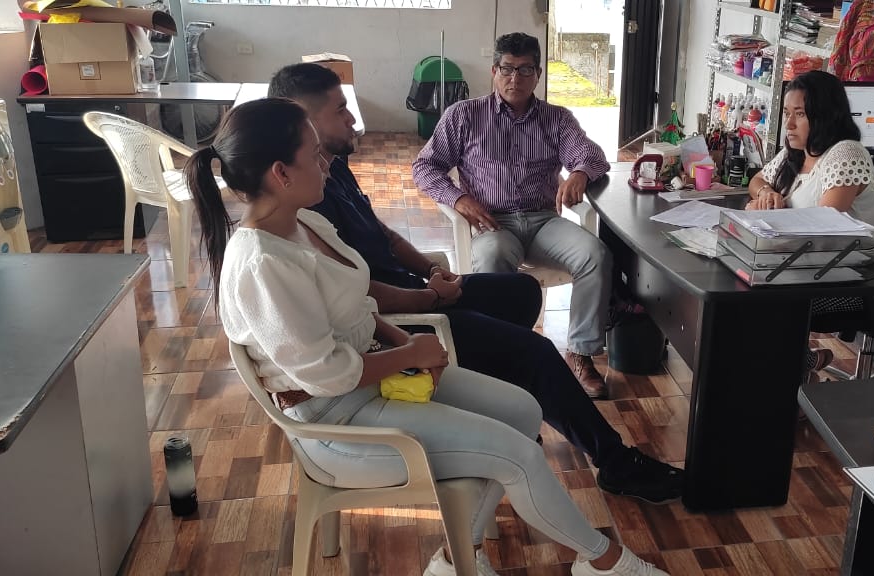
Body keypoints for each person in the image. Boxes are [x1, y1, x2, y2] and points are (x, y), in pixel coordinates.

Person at [187, 98, 668, 576]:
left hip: (373, 381)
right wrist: (408, 353)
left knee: (524, 412)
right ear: (281, 174)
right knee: (520, 456)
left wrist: (405, 343)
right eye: (314, 155)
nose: (326, 164)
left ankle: (457, 559)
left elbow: (359, 304)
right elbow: (328, 376)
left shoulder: (305, 223)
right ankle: (605, 562)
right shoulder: (264, 264)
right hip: (337, 422)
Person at [267, 63, 683, 504]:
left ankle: (509, 404)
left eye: (527, 70)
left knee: (522, 292)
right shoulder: (306, 203)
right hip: (394, 322)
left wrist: (430, 272)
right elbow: (359, 295)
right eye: (340, 110)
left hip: (420, 287)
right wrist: (430, 297)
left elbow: (383, 235)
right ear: (301, 121)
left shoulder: (333, 169)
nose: (353, 119)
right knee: (538, 352)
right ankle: (614, 463)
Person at [412, 32, 614, 398]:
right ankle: (502, 353)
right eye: (507, 69)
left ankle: (581, 353)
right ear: (494, 71)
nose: (514, 79)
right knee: (492, 256)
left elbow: (592, 155)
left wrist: (581, 173)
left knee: (595, 255)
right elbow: (425, 167)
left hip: (543, 221)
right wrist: (458, 198)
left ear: (538, 74)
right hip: (492, 222)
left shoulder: (557, 119)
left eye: (525, 70)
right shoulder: (464, 115)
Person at [745, 70, 874, 378]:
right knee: (743, 290)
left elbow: (822, 227)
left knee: (760, 303)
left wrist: (767, 215)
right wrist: (765, 193)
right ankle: (795, 367)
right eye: (787, 113)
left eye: (800, 114)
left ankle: (789, 378)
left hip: (854, 277)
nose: (789, 124)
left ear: (825, 115)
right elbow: (756, 180)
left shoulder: (846, 153)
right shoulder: (796, 153)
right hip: (804, 266)